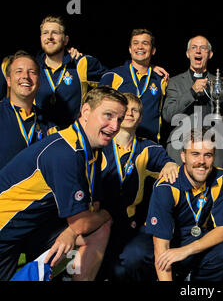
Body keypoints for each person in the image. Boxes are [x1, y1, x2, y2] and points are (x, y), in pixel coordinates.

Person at [0, 86, 128, 281]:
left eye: (119, 119)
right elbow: (82, 222)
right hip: (5, 232)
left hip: (33, 230)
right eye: (108, 116)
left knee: (98, 229)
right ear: (86, 111)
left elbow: (92, 208)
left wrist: (73, 230)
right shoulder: (65, 152)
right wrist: (108, 214)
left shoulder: (91, 148)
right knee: (99, 222)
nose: (114, 126)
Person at [98, 93, 178, 281]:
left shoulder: (146, 148)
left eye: (135, 110)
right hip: (98, 220)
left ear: (141, 118)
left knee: (134, 257)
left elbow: (168, 163)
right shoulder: (100, 144)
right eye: (126, 109)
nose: (130, 113)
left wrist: (170, 164)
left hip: (129, 222)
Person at [146, 127, 223, 281]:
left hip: (196, 238)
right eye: (195, 154)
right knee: (139, 256)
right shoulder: (167, 186)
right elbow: (161, 247)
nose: (201, 162)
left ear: (213, 157)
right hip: (170, 238)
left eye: (207, 155)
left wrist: (186, 251)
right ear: (183, 156)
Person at [35, 15, 108, 129]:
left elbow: (114, 80)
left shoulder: (81, 63)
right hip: (40, 139)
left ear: (65, 40)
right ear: (40, 38)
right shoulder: (33, 67)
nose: (49, 37)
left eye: (55, 33)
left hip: (73, 139)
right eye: (45, 33)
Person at [162, 35, 223, 167]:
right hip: (180, 148)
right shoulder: (174, 82)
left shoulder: (221, 83)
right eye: (194, 48)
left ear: (210, 54)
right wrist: (191, 92)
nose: (198, 51)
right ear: (188, 53)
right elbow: (168, 115)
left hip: (213, 148)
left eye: (203, 48)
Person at [99, 29, 169, 143]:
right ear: (130, 49)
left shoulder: (161, 80)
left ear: (153, 50)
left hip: (149, 144)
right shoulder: (113, 76)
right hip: (116, 143)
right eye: (135, 43)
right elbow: (99, 110)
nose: (140, 47)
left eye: (145, 43)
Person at [0, 50, 57, 170]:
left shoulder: (49, 124)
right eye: (19, 71)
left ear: (39, 82)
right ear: (9, 80)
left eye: (32, 72)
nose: (25, 76)